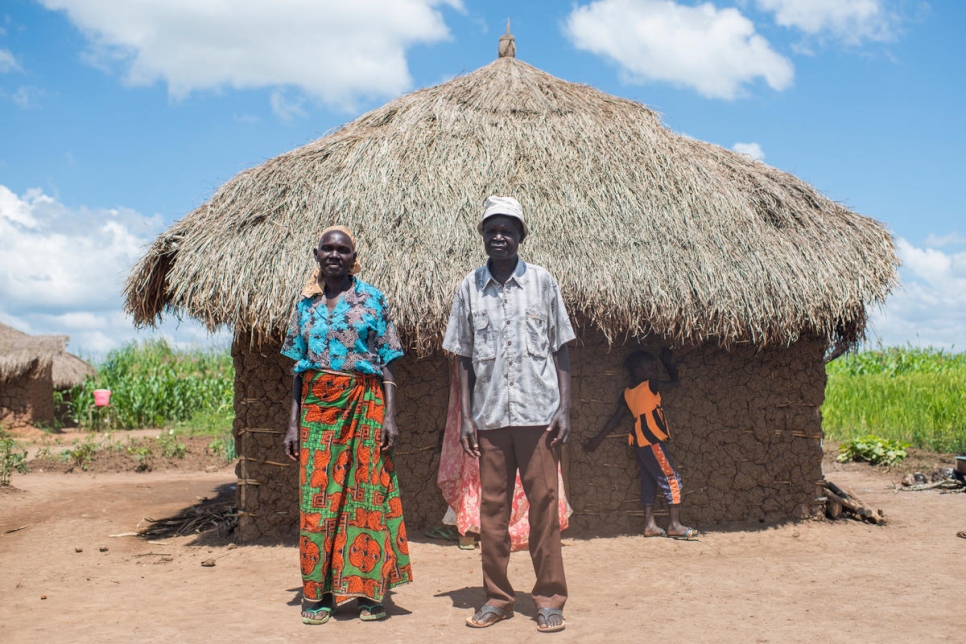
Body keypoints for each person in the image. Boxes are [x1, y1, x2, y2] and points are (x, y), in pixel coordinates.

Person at [443, 195, 574, 634]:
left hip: (539, 415)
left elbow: (562, 348)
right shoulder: (468, 288)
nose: (499, 236)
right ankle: (497, 598)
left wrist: (565, 408)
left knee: (544, 506)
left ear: (521, 236)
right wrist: (465, 418)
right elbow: (461, 357)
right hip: (491, 417)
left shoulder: (542, 282)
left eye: (507, 229)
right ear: (482, 236)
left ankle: (549, 599)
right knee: (492, 513)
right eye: (491, 230)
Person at [281, 226, 413, 625]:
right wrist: (292, 424)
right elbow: (297, 370)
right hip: (317, 411)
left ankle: (369, 592)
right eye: (328, 248)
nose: (334, 254)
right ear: (317, 254)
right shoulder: (305, 306)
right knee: (317, 501)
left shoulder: (373, 299)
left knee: (366, 495)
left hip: (365, 404)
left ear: (353, 255)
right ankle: (317, 594)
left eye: (343, 249)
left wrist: (390, 415)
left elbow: (387, 362)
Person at [583, 348, 698, 540]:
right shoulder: (650, 385)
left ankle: (649, 525)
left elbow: (615, 419)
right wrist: (668, 364)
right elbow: (675, 382)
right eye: (651, 369)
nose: (655, 372)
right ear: (638, 372)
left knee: (649, 481)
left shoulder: (627, 393)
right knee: (672, 479)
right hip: (652, 441)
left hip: (640, 443)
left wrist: (598, 438)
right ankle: (674, 524)